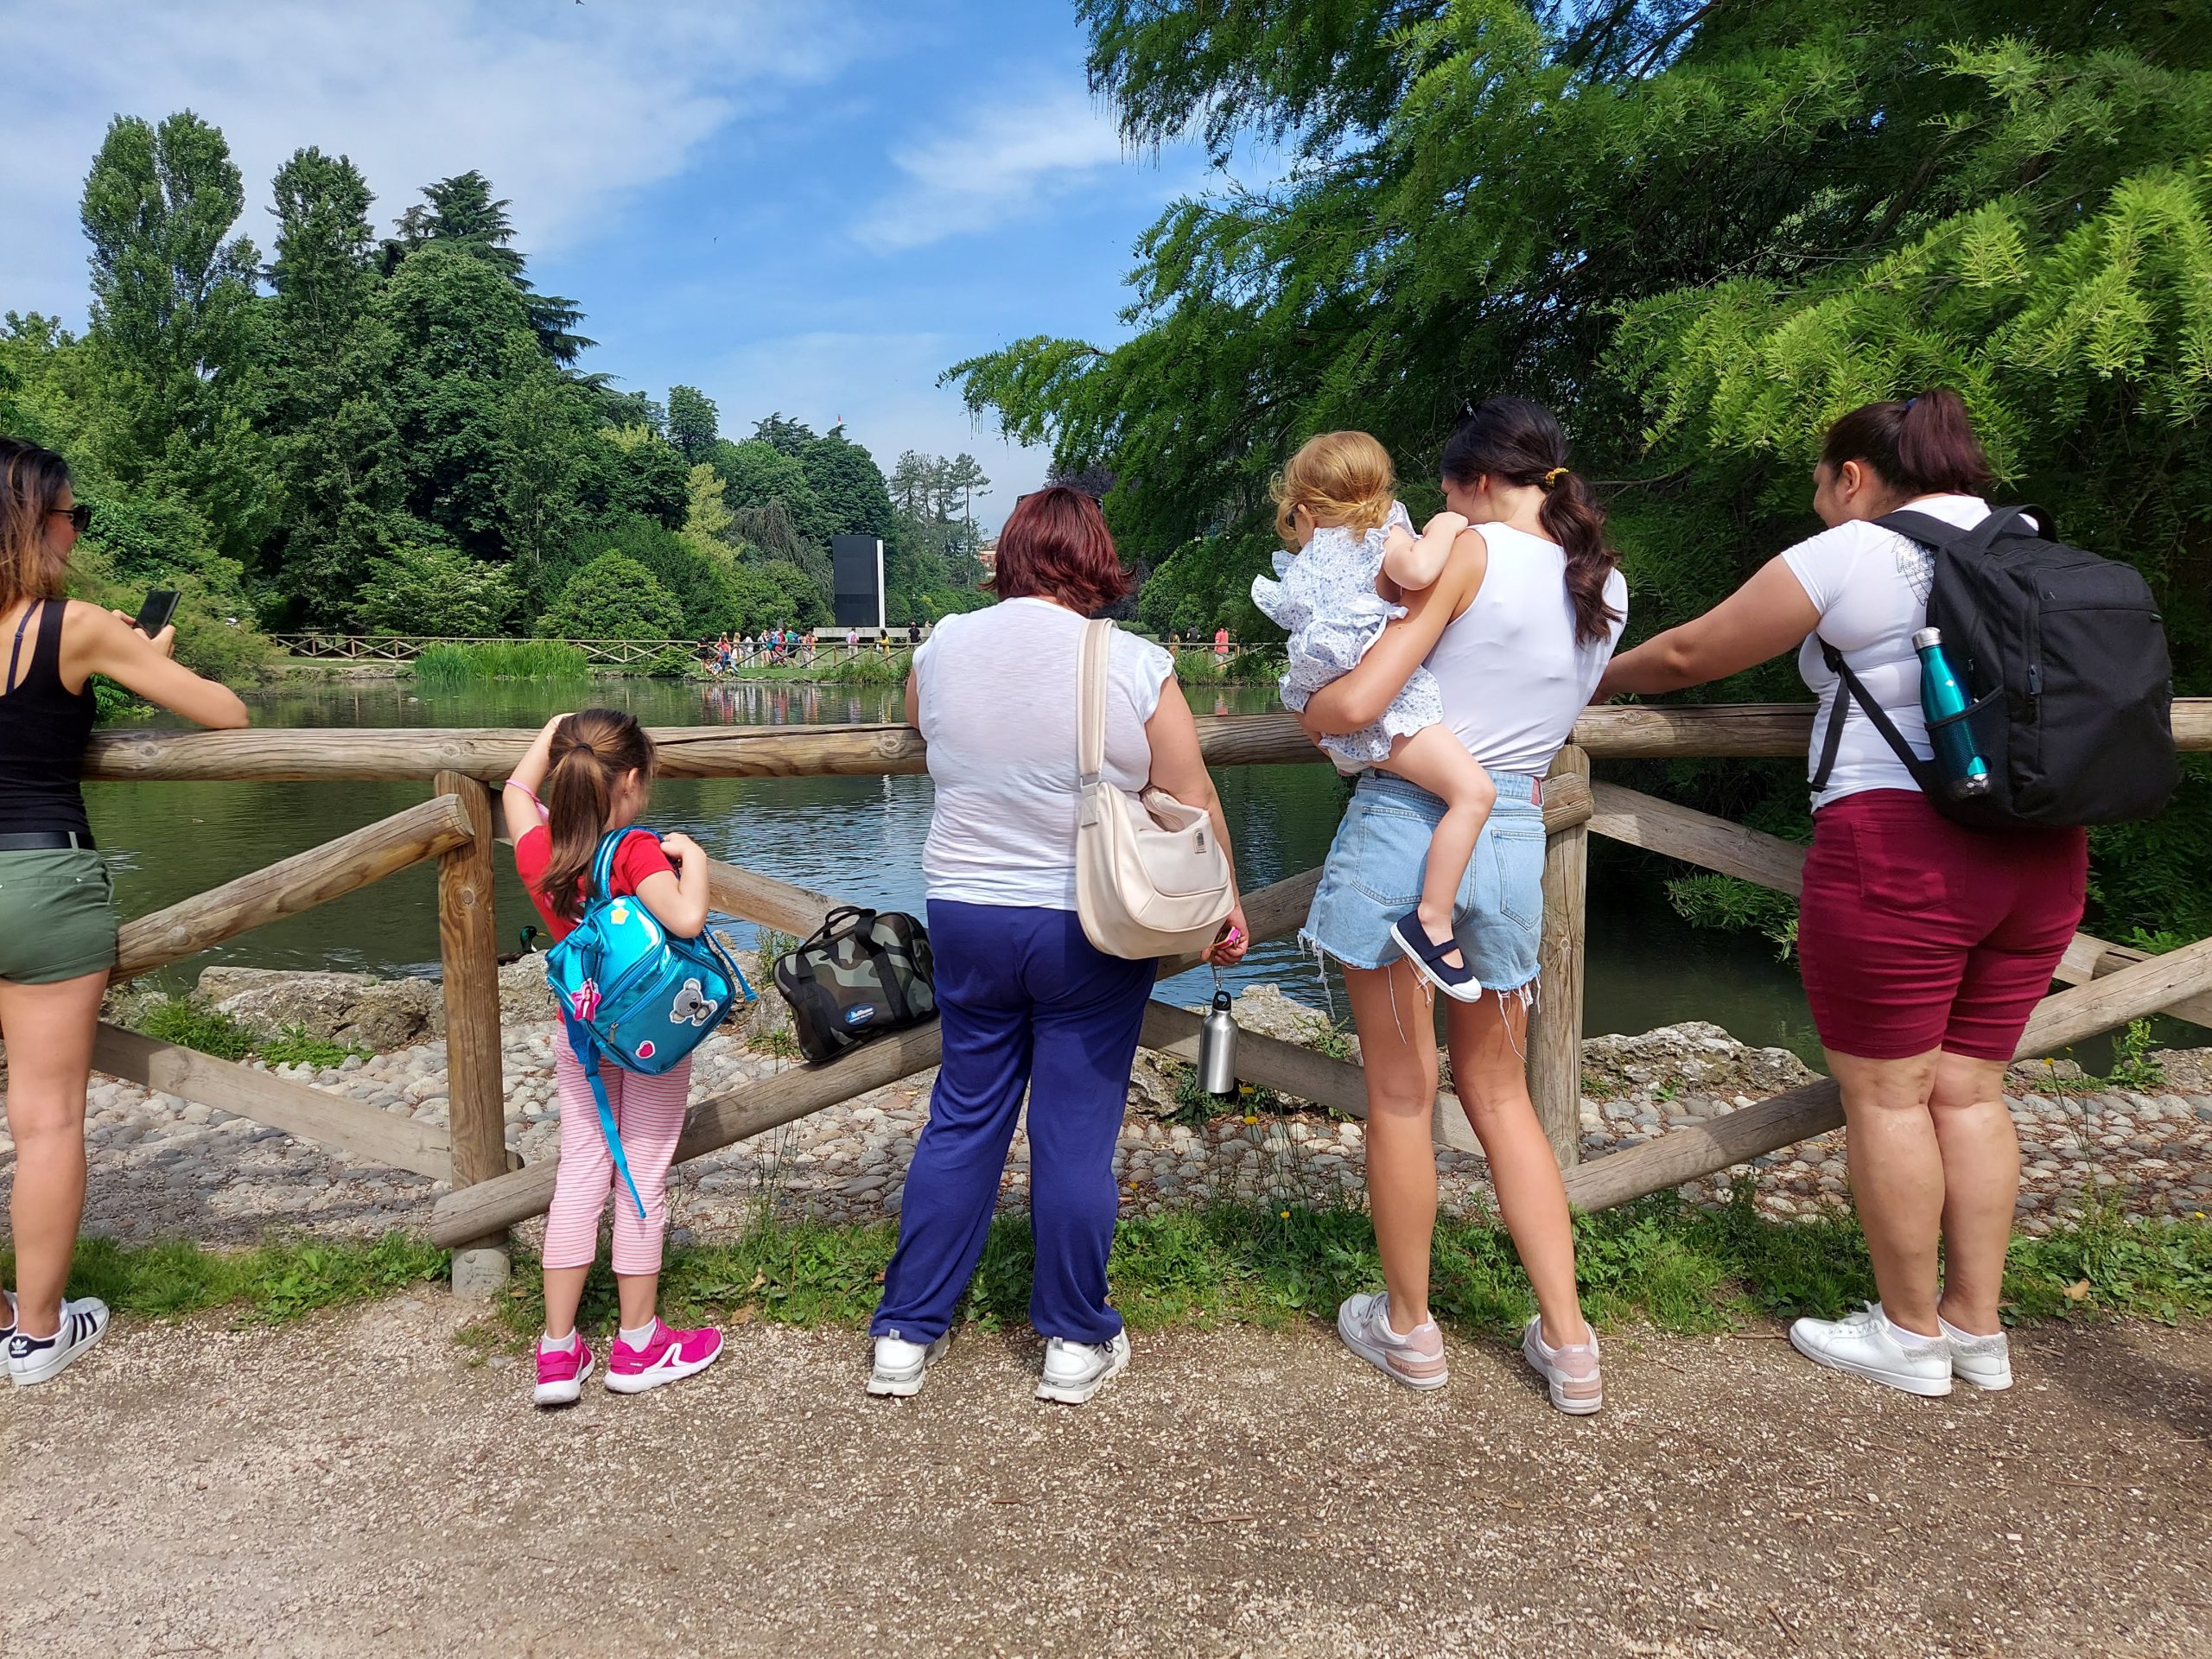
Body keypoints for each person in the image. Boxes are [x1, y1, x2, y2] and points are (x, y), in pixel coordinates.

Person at [1595, 389, 2075, 1398]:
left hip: (1900, 847)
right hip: (2043, 848)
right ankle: (1975, 1331)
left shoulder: (1856, 550)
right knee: (1974, 1092)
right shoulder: (2029, 546)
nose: (1818, 499)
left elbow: (1689, 655)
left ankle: (1908, 1335)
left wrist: (1590, 678)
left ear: (1851, 476)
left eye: (1820, 482)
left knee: (1890, 1097)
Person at [868, 486, 1249, 1405]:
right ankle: (1074, 1340)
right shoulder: (1130, 662)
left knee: (964, 1117)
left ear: (1009, 556)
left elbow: (922, 723)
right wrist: (1223, 904)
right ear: (1094, 563)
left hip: (964, 909)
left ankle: (905, 1337)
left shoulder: (943, 644)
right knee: (1073, 1132)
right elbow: (1189, 795)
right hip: (1084, 923)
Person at [1297, 398, 1625, 1410]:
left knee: (1402, 1095)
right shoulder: (1604, 584)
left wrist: (1309, 707)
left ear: (1477, 480)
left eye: (1444, 488)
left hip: (1410, 824)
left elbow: (1357, 703)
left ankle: (1409, 1329)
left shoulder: (1470, 552)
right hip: (1515, 834)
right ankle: (1569, 1346)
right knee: (1501, 1096)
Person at [0, 437, 249, 1386]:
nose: (78, 530)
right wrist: (140, 656)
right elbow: (225, 714)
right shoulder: (75, 627)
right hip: (38, 878)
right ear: (34, 521)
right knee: (48, 1118)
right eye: (74, 514)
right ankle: (35, 1335)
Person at [501, 709, 724, 1406]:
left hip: (583, 1035)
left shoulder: (540, 849)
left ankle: (558, 1352)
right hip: (649, 1038)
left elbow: (513, 789)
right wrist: (696, 861)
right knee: (642, 1171)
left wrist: (553, 730)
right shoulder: (632, 852)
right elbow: (686, 919)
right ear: (630, 780)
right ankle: (637, 1344)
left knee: (583, 1170)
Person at [1254, 431, 1498, 999]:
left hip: (1323, 699)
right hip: (1386, 707)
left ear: (1305, 506)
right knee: (1474, 794)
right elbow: (1417, 572)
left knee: (1457, 792)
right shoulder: (1382, 533)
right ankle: (1432, 922)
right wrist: (1446, 526)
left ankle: (1341, 753)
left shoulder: (1311, 556)